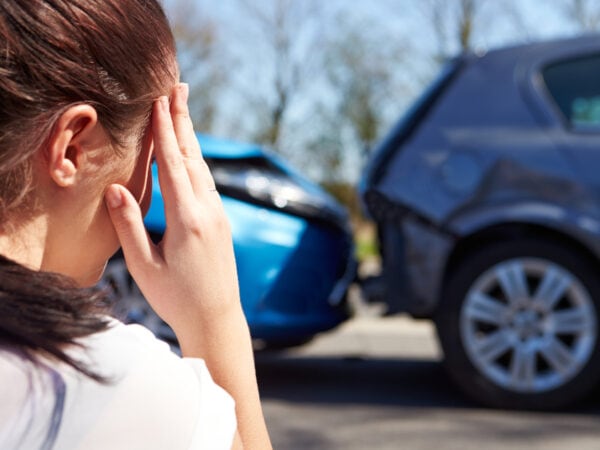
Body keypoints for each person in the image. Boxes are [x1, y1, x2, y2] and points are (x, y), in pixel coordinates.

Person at [0, 1, 272, 449]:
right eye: (154, 154)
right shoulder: (108, 384)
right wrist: (215, 318)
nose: (152, 194)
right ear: (72, 150)